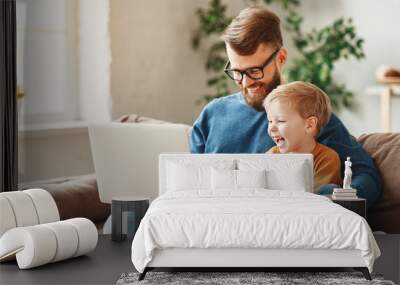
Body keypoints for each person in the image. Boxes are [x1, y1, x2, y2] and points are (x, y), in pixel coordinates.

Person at [190, 6, 382, 208]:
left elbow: (366, 176)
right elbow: (191, 184)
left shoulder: (308, 114)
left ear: (280, 58)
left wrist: (327, 202)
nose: (245, 83)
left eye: (254, 71)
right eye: (237, 72)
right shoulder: (212, 116)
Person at [263, 81, 341, 193]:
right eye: (270, 121)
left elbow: (317, 197)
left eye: (280, 120)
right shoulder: (271, 156)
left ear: (309, 125)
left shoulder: (326, 159)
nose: (271, 128)